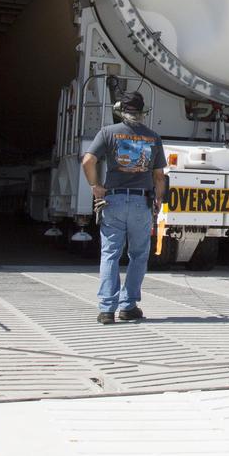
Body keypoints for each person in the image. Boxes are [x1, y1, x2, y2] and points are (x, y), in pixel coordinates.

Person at [82, 91, 168, 324]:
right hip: (141, 202)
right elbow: (159, 176)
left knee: (110, 253)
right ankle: (128, 306)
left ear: (121, 111)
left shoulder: (108, 133)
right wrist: (159, 201)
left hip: (114, 201)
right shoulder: (153, 137)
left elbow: (88, 161)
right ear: (142, 113)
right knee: (138, 255)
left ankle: (106, 310)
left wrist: (95, 186)